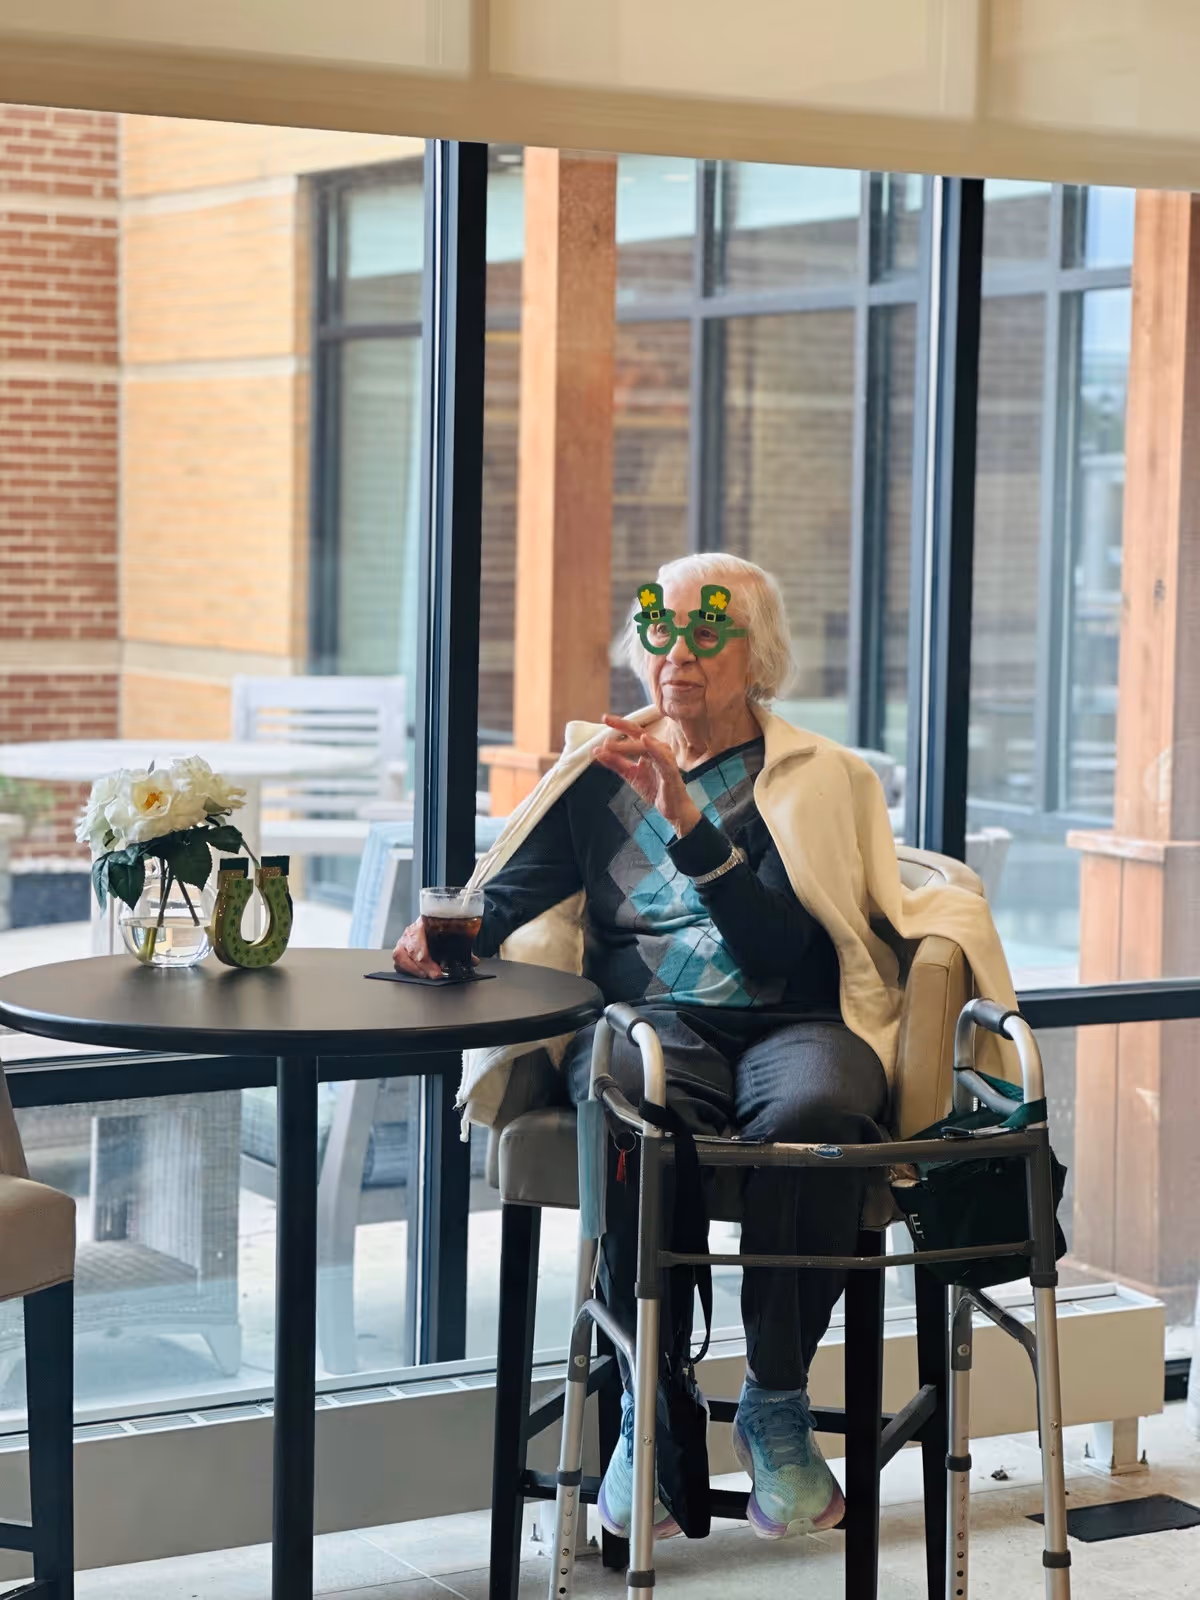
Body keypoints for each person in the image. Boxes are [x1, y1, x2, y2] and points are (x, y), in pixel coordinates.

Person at [395, 553, 903, 1542]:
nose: (680, 651)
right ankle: (651, 1404)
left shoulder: (816, 778)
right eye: (662, 629)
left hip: (792, 1024)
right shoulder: (600, 774)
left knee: (826, 1110)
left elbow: (781, 945)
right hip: (655, 1027)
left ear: (756, 655)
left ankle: (776, 1403)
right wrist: (446, 934)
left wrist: (688, 823)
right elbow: (509, 891)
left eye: (709, 632)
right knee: (626, 1089)